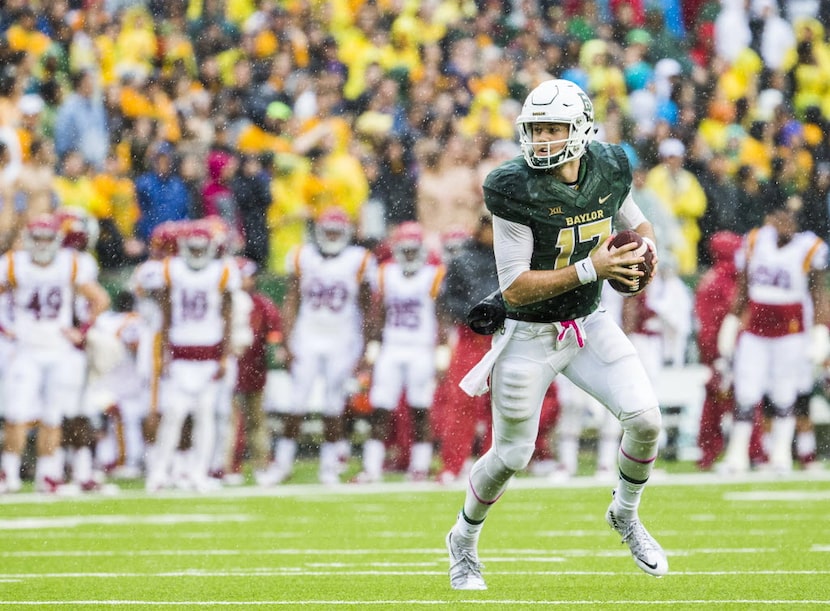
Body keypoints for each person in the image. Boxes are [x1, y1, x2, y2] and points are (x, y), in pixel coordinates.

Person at [445, 79, 667, 590]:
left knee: (646, 420)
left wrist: (642, 257)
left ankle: (625, 513)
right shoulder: (513, 186)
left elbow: (640, 227)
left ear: (581, 130)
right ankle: (463, 539)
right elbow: (516, 288)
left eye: (553, 129)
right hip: (528, 333)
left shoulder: (608, 165)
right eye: (536, 129)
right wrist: (594, 268)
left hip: (588, 324)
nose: (543, 140)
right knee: (510, 457)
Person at [257, 206, 377, 486]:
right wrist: (286, 340)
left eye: (337, 230)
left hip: (343, 338)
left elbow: (367, 305)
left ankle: (329, 466)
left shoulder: (359, 260)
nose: (333, 235)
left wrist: (365, 345)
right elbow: (291, 300)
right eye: (328, 230)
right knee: (296, 403)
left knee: (333, 405)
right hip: (307, 336)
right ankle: (283, 464)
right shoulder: (303, 256)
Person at [717, 198, 829, 474]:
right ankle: (736, 456)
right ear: (770, 219)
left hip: (790, 332)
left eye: (790, 219)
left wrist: (819, 329)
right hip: (756, 330)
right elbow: (744, 286)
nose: (785, 224)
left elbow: (817, 292)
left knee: (784, 394)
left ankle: (780, 455)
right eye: (780, 218)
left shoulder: (809, 247)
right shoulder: (755, 241)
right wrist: (732, 319)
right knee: (745, 392)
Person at [0, 213, 110, 494]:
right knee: (17, 414)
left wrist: (81, 330)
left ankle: (47, 475)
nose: (43, 244)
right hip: (25, 349)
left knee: (52, 416)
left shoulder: (70, 264)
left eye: (48, 238)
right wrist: (4, 327)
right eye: (37, 238)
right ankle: (8, 473)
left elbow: (100, 298)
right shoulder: (13, 264)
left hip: (58, 349)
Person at [145, 220, 239, 492]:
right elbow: (166, 313)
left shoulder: (222, 271)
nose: (197, 254)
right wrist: (163, 352)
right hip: (180, 352)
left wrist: (224, 354)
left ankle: (198, 472)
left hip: (209, 354)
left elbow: (227, 315)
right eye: (193, 249)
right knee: (173, 414)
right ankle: (159, 472)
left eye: (201, 249)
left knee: (205, 416)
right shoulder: (171, 270)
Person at [354, 221, 449, 483]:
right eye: (404, 250)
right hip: (392, 348)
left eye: (412, 250)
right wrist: (371, 354)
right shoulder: (386, 273)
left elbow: (441, 321)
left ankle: (419, 466)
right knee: (380, 409)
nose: (408, 255)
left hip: (421, 349)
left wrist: (442, 358)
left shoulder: (434, 274)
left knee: (421, 409)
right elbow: (379, 318)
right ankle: (372, 468)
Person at [433, 213, 500, 485]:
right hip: (471, 336)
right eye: (489, 227)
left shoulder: (511, 256)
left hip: (503, 336)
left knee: (504, 403)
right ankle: (453, 464)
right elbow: (446, 301)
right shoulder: (461, 260)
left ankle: (495, 466)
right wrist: (476, 315)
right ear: (480, 228)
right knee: (461, 402)